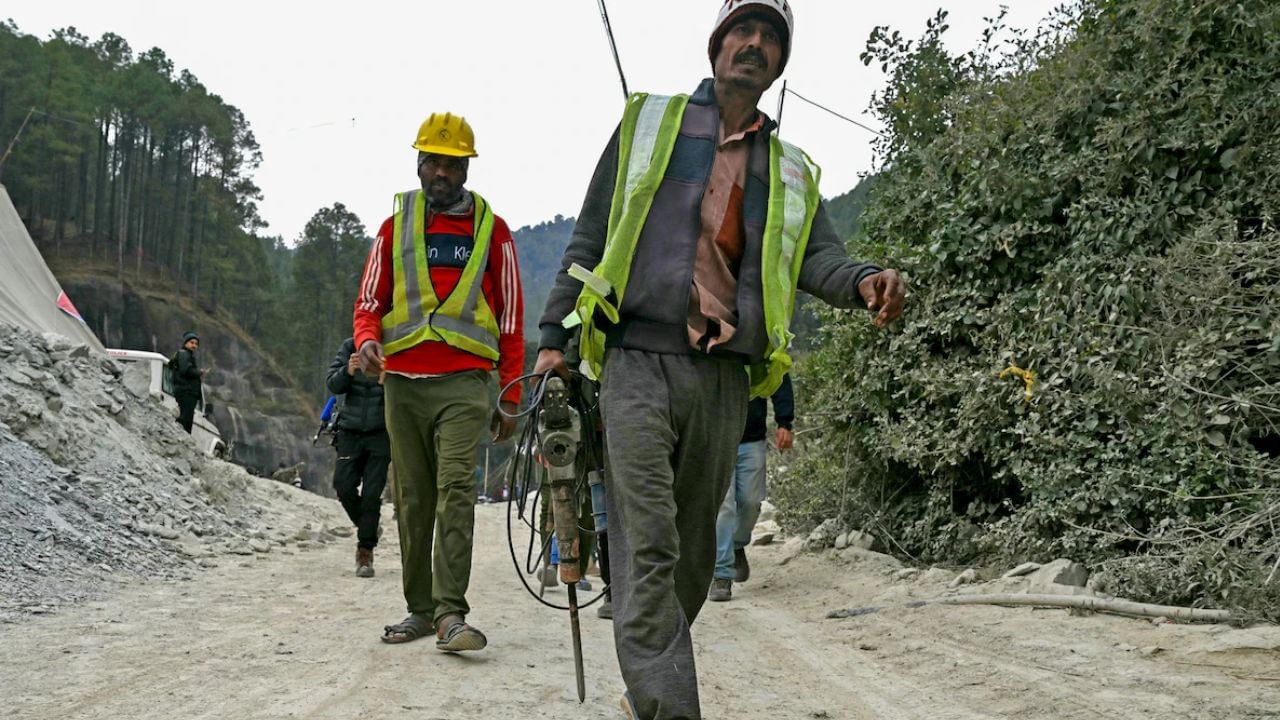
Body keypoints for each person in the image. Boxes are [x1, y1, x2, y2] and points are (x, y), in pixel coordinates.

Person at [533, 2, 906, 717]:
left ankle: (648, 677)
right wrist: (554, 339)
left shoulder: (789, 168)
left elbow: (818, 256)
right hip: (638, 358)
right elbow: (588, 238)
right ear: (717, 43)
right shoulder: (651, 125)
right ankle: (669, 706)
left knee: (696, 558)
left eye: (771, 37)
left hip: (724, 379)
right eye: (745, 29)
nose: (756, 44)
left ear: (780, 61)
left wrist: (863, 282)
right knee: (648, 544)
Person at [354, 112, 524, 653]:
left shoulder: (493, 232)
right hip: (402, 384)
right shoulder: (392, 229)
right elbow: (369, 303)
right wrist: (366, 342)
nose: (441, 172)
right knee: (412, 499)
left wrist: (511, 396)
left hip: (465, 385)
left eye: (452, 163)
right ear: (419, 163)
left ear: (466, 169)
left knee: (455, 491)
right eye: (432, 160)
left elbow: (513, 321)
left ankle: (451, 613)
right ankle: (419, 610)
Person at [709, 373, 792, 602]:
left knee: (751, 502)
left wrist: (785, 422)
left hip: (751, 437)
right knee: (723, 506)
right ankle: (721, 575)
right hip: (716, 438)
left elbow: (779, 373)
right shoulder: (704, 339)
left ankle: (737, 544)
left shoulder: (756, 339)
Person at [326, 337, 391, 578]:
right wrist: (348, 370)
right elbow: (333, 384)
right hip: (350, 430)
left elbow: (409, 391)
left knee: (372, 494)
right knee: (342, 486)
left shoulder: (396, 344)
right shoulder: (351, 346)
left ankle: (365, 552)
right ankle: (370, 527)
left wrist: (388, 381)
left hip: (381, 432)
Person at [171, 331, 205, 434]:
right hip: (186, 391)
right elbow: (185, 370)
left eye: (196, 343)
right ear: (186, 343)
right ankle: (181, 437)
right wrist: (199, 372)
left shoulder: (187, 355)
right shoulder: (184, 354)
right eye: (191, 342)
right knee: (185, 419)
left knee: (187, 418)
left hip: (188, 392)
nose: (194, 345)